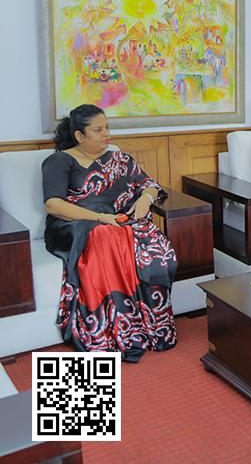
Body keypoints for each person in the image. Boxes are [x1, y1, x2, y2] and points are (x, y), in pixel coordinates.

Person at [42, 104, 177, 363]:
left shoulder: (120, 159)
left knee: (158, 250)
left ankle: (151, 327)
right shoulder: (59, 161)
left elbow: (149, 184)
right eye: (98, 130)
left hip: (118, 222)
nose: (107, 135)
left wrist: (145, 200)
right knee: (107, 236)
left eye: (107, 128)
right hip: (74, 224)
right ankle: (114, 330)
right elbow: (54, 205)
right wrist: (101, 218)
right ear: (80, 136)